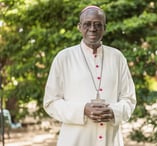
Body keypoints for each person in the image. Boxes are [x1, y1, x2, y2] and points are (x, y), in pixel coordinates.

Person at [43, 5, 136, 146]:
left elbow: (129, 100)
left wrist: (113, 112)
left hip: (110, 140)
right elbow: (51, 102)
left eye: (98, 24)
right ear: (79, 27)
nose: (92, 29)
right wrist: (82, 110)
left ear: (105, 27)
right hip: (74, 141)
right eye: (87, 24)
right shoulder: (64, 58)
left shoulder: (117, 57)